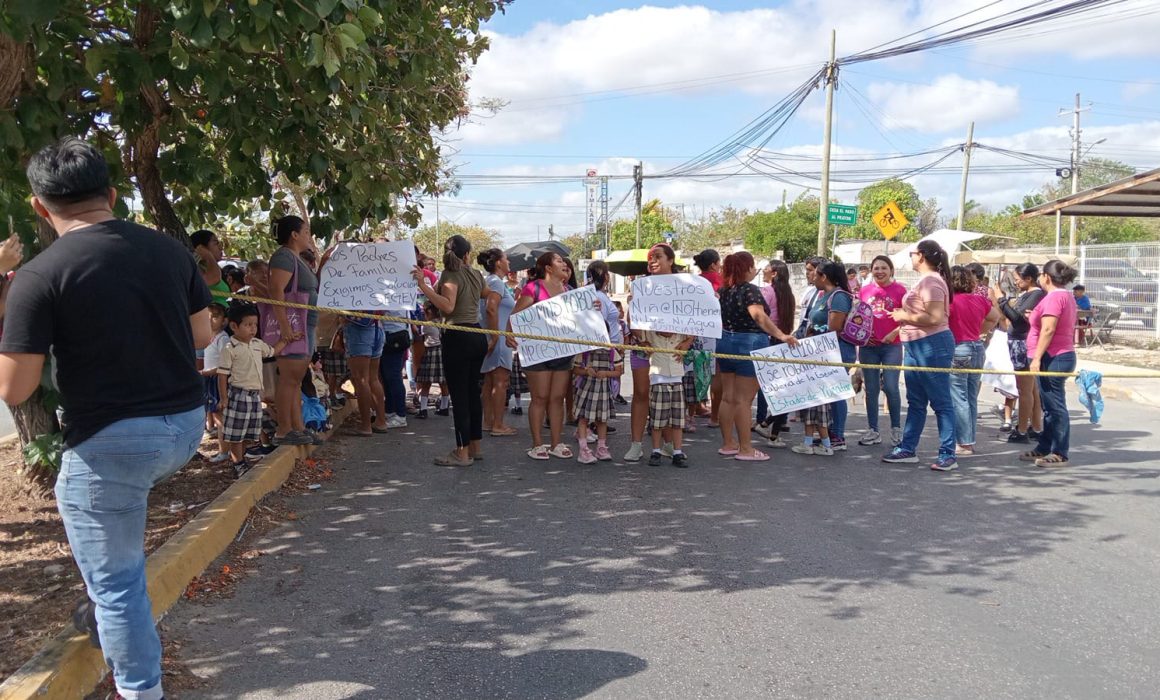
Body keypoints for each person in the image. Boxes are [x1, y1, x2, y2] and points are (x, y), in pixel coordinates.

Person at [0, 137, 213, 700]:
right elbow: (201, 336)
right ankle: (104, 618)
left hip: (111, 445)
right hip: (185, 425)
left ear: (40, 208)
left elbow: (14, 387)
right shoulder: (170, 251)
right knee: (113, 573)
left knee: (119, 586)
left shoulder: (40, 275)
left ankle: (141, 689)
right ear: (113, 195)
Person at [882, 240, 958, 471]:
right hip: (916, 344)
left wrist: (902, 315)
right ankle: (908, 447)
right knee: (916, 401)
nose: (911, 257)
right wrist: (902, 319)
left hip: (932, 345)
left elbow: (934, 318)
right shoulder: (927, 281)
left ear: (922, 256)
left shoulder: (932, 282)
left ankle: (948, 453)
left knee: (941, 401)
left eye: (913, 253)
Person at [716, 252, 798, 461]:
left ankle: (728, 443)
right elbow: (759, 316)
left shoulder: (725, 290)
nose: (755, 270)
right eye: (752, 266)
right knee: (744, 400)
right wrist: (780, 334)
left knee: (728, 397)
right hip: (750, 343)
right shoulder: (750, 291)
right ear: (745, 269)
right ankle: (746, 449)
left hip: (725, 341)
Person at [415, 234, 488, 466]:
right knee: (472, 394)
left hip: (457, 335)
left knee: (460, 396)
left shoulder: (449, 275)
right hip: (477, 334)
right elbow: (489, 295)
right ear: (467, 255)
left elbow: (448, 305)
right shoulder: (476, 274)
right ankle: (475, 446)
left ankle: (462, 452)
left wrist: (423, 286)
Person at [508, 252, 576, 460]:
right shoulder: (533, 288)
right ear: (547, 268)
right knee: (540, 397)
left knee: (557, 398)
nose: (564, 264)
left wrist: (594, 307)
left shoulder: (570, 290)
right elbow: (515, 313)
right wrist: (508, 333)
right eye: (558, 261)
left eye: (564, 261)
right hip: (537, 350)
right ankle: (537, 444)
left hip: (562, 351)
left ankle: (556, 443)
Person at [791, 261, 853, 456]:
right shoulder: (823, 296)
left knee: (835, 394)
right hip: (821, 351)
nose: (812, 277)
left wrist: (813, 331)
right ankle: (826, 435)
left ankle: (837, 436)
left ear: (823, 277)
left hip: (837, 352)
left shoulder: (839, 297)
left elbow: (834, 328)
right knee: (824, 395)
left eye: (815, 274)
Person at [624, 243, 679, 461]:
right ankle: (636, 445)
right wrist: (641, 339)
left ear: (670, 260)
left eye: (658, 256)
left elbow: (694, 319)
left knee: (666, 396)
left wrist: (685, 343)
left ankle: (667, 444)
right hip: (643, 349)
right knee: (641, 394)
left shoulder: (684, 286)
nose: (653, 261)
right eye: (650, 258)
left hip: (670, 350)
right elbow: (632, 317)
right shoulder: (640, 286)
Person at [218, 304, 288, 476]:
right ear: (234, 326)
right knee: (236, 433)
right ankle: (238, 463)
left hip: (254, 396)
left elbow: (272, 351)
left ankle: (242, 460)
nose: (253, 329)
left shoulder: (257, 344)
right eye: (248, 325)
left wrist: (286, 340)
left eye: (255, 324)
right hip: (238, 395)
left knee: (248, 431)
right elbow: (222, 375)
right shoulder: (230, 348)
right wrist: (224, 398)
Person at [267, 215, 319, 446]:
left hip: (305, 325)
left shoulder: (295, 258)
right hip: (294, 327)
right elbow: (276, 290)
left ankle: (297, 427)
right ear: (294, 235)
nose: (309, 236)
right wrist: (285, 328)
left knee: (296, 379)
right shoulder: (283, 257)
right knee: (288, 378)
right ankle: (283, 429)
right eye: (306, 232)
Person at [1023, 260, 1079, 467]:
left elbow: (1049, 329)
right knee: (1049, 406)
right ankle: (1044, 447)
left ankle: (1059, 451)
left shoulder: (1056, 297)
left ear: (1046, 276)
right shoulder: (1063, 296)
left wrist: (1037, 357)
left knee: (1056, 407)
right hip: (1055, 355)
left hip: (1054, 356)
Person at [948, 266, 1000, 456]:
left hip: (958, 348)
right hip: (977, 347)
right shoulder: (980, 299)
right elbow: (995, 317)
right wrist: (978, 330)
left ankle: (964, 442)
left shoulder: (950, 302)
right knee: (970, 396)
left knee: (958, 396)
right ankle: (968, 439)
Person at [857, 255, 907, 447]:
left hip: (891, 346)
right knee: (871, 389)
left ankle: (896, 430)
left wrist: (894, 333)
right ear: (871, 270)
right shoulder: (864, 291)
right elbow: (858, 318)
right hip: (868, 347)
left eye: (884, 268)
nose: (880, 271)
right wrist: (862, 335)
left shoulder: (900, 291)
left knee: (892, 387)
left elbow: (907, 318)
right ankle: (873, 430)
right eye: (876, 268)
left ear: (891, 270)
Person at [996, 263, 1045, 444]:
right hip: (1017, 342)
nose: (1016, 283)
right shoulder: (1028, 295)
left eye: (1017, 279)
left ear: (1028, 279)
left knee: (1024, 389)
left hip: (1022, 343)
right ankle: (1036, 426)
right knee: (1031, 389)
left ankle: (1023, 429)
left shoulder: (1036, 294)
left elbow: (1018, 320)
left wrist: (1002, 300)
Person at [753, 260, 797, 448]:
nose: (763, 271)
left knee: (765, 385)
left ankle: (763, 420)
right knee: (783, 386)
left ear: (774, 273)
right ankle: (775, 425)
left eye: (766, 269)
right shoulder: (789, 294)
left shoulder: (766, 292)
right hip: (784, 340)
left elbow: (760, 317)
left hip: (769, 339)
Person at [478, 248, 518, 436]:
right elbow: (491, 308)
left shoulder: (491, 282)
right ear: (498, 263)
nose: (509, 261)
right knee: (500, 381)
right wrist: (495, 336)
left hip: (495, 336)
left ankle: (488, 421)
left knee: (490, 381)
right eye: (506, 259)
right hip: (499, 338)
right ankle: (498, 424)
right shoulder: (496, 282)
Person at [642, 329, 691, 467]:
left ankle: (677, 452)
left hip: (677, 378)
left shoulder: (682, 334)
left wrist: (688, 341)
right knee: (658, 419)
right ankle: (656, 451)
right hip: (658, 378)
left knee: (677, 419)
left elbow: (694, 330)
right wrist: (644, 344)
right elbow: (638, 331)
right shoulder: (650, 335)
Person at [342, 305, 389, 436]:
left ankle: (365, 425)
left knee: (361, 379)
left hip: (359, 330)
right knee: (373, 378)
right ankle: (380, 421)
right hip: (376, 327)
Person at [572, 346, 622, 463]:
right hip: (586, 390)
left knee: (602, 420)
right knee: (583, 418)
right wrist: (586, 371)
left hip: (603, 391)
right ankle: (583, 449)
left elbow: (619, 371)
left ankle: (601, 447)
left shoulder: (612, 352)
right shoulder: (585, 350)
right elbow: (575, 369)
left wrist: (607, 373)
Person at [693, 249, 724, 427]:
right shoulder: (720, 282)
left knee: (696, 369)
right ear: (713, 264)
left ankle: (696, 406)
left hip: (695, 332)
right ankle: (715, 415)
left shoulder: (695, 281)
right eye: (719, 263)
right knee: (715, 374)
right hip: (716, 331)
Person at [201, 303, 231, 463]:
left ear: (224, 320)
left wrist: (206, 373)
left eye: (215, 316)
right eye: (208, 317)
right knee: (216, 415)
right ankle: (223, 449)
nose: (211, 320)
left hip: (217, 380)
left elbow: (224, 365)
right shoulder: (209, 338)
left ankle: (224, 451)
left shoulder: (223, 338)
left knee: (221, 417)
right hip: (209, 379)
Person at [416, 302, 451, 418]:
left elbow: (419, 334)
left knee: (426, 383)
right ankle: (444, 407)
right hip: (443, 352)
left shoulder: (426, 325)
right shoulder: (444, 322)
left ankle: (423, 409)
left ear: (429, 312)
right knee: (444, 382)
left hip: (431, 352)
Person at [191, 228, 230, 303]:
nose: (221, 248)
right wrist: (208, 255)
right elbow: (213, 279)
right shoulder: (195, 267)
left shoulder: (210, 267)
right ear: (201, 247)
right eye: (216, 244)